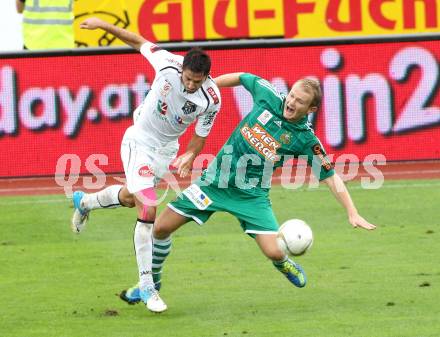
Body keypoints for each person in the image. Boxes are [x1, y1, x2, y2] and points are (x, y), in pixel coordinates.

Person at [119, 72, 376, 311]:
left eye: (300, 102)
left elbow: (330, 177)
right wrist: (208, 88)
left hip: (251, 197)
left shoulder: (306, 139)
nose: (292, 103)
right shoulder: (269, 95)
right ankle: (152, 284)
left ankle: (284, 263)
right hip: (214, 184)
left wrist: (352, 212)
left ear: (311, 110)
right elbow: (243, 77)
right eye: (292, 96)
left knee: (275, 251)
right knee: (160, 229)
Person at [71, 18, 221, 313]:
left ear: (206, 77)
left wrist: (190, 155)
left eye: (197, 81)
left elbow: (200, 137)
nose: (190, 85)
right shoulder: (166, 63)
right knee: (148, 207)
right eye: (188, 78)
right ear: (182, 69)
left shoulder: (211, 99)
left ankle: (85, 201)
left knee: (129, 198)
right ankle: (147, 285)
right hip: (139, 140)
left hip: (166, 150)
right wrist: (103, 25)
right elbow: (137, 39)